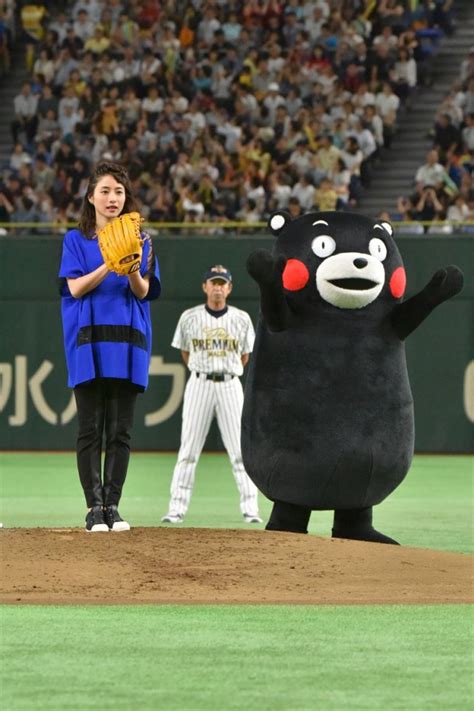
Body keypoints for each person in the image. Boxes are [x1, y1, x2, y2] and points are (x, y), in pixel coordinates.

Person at [58, 161, 161, 533]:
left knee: (120, 431)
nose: (112, 198)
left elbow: (143, 291)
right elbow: (74, 288)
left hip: (128, 344)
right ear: (91, 197)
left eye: (118, 191)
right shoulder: (75, 240)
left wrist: (131, 266)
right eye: (105, 190)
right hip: (89, 343)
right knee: (90, 430)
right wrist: (109, 263)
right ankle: (93, 507)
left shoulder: (143, 240)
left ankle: (112, 506)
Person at [161, 265, 262, 525]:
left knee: (240, 451)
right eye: (213, 282)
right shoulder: (190, 317)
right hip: (200, 383)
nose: (217, 287)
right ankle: (176, 510)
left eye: (222, 283)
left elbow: (245, 356)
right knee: (188, 450)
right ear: (205, 287)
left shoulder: (241, 319)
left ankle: (251, 510)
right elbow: (185, 353)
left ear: (229, 289)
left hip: (230, 383)